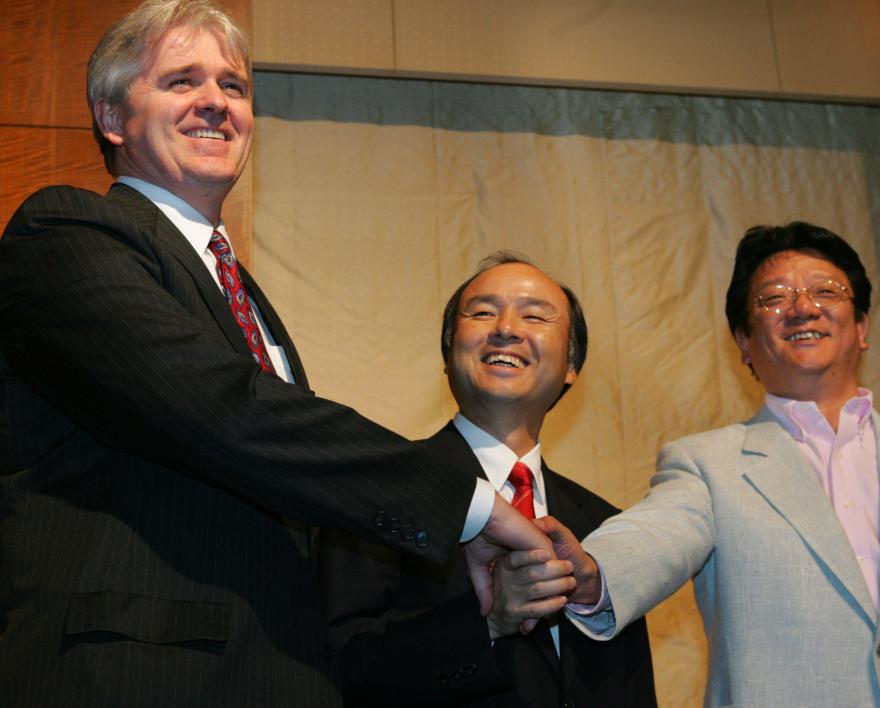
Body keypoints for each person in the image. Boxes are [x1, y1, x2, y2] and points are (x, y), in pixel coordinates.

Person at [0, 2, 549, 705]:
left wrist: (481, 610)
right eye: (181, 82)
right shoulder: (66, 234)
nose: (215, 104)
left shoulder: (248, 302)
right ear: (111, 118)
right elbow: (226, 412)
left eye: (234, 86)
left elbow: (293, 521)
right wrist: (465, 506)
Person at [527, 222, 880, 706]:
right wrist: (590, 571)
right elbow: (658, 533)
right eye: (774, 298)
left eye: (826, 291)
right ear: (744, 342)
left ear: (861, 327)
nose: (802, 307)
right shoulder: (708, 464)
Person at [318, 254, 658, 707]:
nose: (506, 328)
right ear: (447, 351)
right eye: (482, 312)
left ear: (572, 364)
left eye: (534, 315)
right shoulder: (379, 489)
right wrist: (489, 623)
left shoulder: (604, 524)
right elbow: (336, 667)